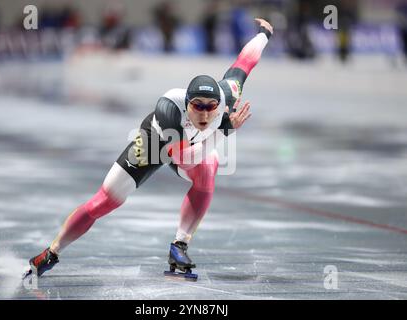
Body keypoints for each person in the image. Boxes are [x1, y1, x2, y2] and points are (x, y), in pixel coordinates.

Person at [26, 18, 273, 279]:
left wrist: (264, 34)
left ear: (219, 104)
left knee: (209, 168)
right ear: (187, 103)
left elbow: (245, 62)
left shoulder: (228, 95)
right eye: (197, 106)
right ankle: (51, 252)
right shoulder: (169, 108)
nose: (204, 113)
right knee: (105, 201)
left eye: (210, 107)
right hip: (155, 141)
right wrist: (224, 130)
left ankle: (179, 246)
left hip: (192, 146)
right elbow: (185, 160)